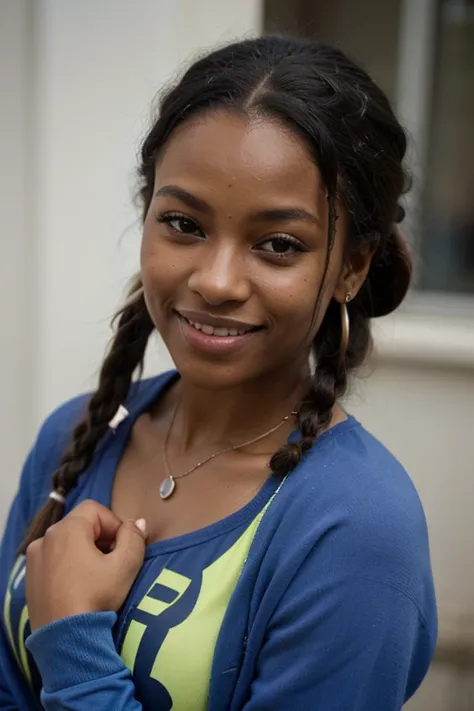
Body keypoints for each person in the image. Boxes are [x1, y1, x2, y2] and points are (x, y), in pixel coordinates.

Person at [0, 35, 437, 711]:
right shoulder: (72, 438)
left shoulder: (357, 529)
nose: (217, 279)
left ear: (351, 266)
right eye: (183, 223)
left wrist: (74, 644)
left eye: (278, 244)